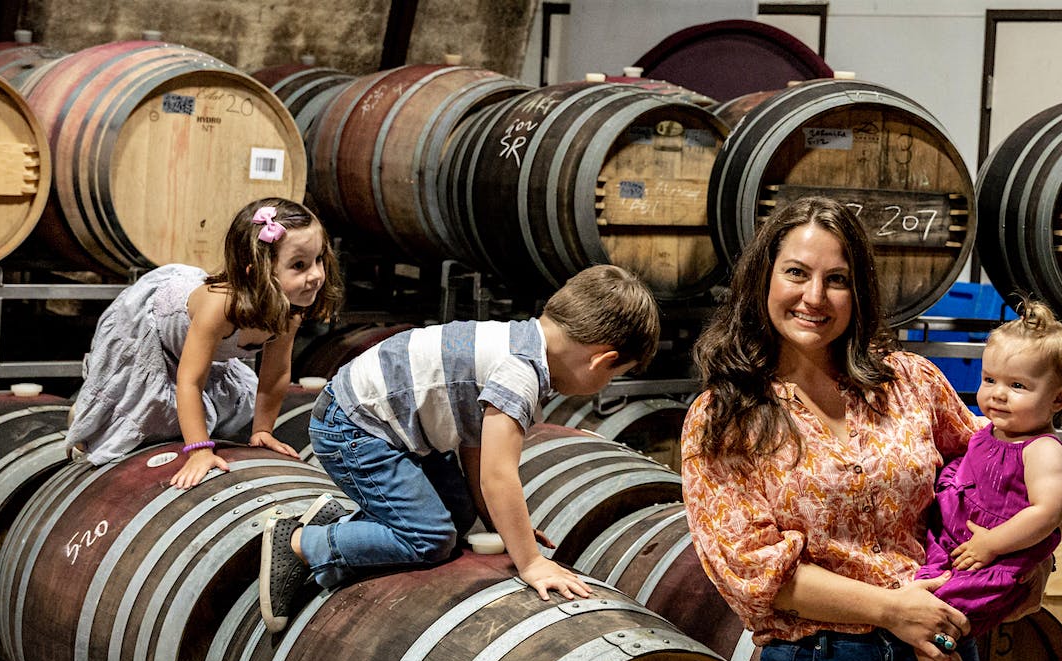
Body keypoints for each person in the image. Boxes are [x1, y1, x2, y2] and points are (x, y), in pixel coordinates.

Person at [680, 196, 981, 661]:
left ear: (860, 290)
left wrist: (1024, 573)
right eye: (796, 274)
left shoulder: (910, 383)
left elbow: (995, 468)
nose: (814, 297)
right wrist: (890, 608)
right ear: (763, 281)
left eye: (837, 278)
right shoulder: (726, 416)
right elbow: (754, 568)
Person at [256, 264, 660, 633]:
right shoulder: (521, 374)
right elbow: (498, 475)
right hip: (355, 428)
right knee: (430, 538)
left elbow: (475, 441)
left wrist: (497, 520)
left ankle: (349, 524)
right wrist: (531, 561)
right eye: (614, 376)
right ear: (600, 360)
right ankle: (300, 544)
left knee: (461, 513)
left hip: (384, 422)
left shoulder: (516, 339)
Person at [904, 301, 1062, 661]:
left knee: (937, 623)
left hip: (996, 561)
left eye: (1019, 386)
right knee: (915, 603)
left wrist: (994, 545)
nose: (998, 395)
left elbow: (1046, 512)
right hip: (963, 546)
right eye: (990, 380)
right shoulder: (990, 432)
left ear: (1059, 399)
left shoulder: (1042, 449)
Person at [65, 198, 342, 486]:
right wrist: (198, 450)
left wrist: (262, 430)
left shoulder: (289, 313)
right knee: (144, 409)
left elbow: (274, 375)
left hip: (197, 344)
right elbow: (190, 381)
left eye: (319, 259)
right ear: (256, 273)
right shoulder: (219, 308)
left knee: (231, 404)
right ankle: (87, 416)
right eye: (299, 265)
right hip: (153, 327)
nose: (316, 275)